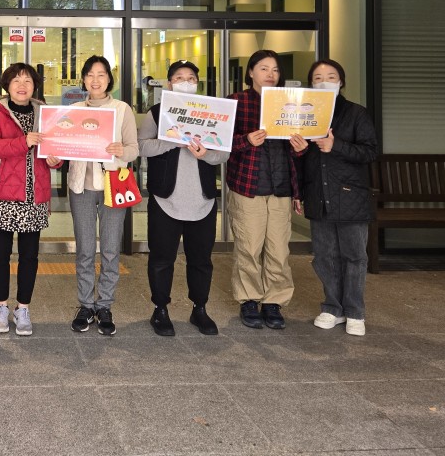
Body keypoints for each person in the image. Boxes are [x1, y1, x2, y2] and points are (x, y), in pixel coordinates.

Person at [138, 60, 229, 337]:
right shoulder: (156, 113)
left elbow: (223, 153)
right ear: (169, 84)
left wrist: (205, 154)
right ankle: (160, 310)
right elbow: (142, 147)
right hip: (166, 198)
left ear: (197, 84)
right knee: (161, 258)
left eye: (191, 78)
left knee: (201, 259)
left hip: (202, 199)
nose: (185, 82)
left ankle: (199, 308)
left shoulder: (211, 113)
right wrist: (171, 140)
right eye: (179, 77)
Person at [295, 59, 378, 337]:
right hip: (318, 194)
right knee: (325, 256)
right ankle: (332, 307)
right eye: (317, 78)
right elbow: (303, 161)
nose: (324, 82)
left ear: (341, 82)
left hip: (350, 195)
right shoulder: (304, 113)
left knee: (354, 256)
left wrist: (335, 145)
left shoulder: (356, 113)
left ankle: (355, 312)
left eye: (330, 76)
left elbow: (369, 152)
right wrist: (300, 151)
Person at [226, 50, 308, 330]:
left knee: (278, 250)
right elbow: (221, 141)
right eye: (263, 68)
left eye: (274, 69)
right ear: (250, 72)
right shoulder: (237, 102)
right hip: (248, 186)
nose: (270, 74)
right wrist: (246, 140)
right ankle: (249, 300)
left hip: (281, 187)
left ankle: (274, 302)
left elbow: (296, 154)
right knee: (249, 248)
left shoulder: (292, 104)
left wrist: (301, 149)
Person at [0, 63, 61, 336]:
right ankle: (1, 306)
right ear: (7, 85)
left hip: (34, 196)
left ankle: (23, 308)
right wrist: (23, 141)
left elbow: (55, 149)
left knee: (29, 256)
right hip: (2, 193)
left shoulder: (44, 113)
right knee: (0, 255)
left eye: (27, 80)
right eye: (16, 80)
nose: (22, 85)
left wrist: (55, 160)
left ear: (34, 85)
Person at [62, 55, 138, 336]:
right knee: (83, 249)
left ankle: (104, 304)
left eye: (102, 74)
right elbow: (64, 145)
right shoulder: (74, 110)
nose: (96, 79)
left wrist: (122, 151)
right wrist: (56, 151)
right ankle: (85, 305)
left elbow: (134, 148)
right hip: (80, 187)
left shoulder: (122, 109)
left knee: (109, 249)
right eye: (91, 74)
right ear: (83, 79)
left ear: (109, 79)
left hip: (113, 185)